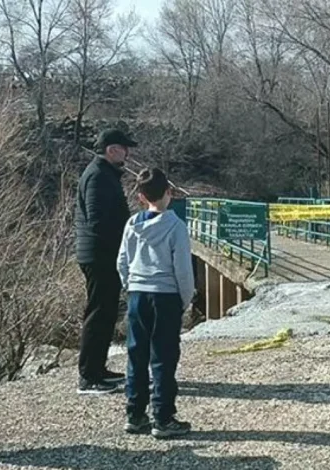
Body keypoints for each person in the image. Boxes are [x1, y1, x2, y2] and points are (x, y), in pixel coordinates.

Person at [117, 167, 194, 439]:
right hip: (166, 296)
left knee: (136, 355)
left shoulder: (131, 225)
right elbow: (183, 270)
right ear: (169, 193)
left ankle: (135, 413)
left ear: (140, 197)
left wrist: (130, 285)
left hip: (137, 294)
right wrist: (185, 300)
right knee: (163, 357)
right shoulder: (176, 227)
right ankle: (163, 416)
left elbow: (122, 262)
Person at [75, 128, 135, 394]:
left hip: (102, 254)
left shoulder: (103, 174)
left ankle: (98, 369)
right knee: (98, 313)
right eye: (124, 148)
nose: (128, 153)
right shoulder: (98, 176)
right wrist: (121, 246)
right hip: (100, 255)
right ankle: (88, 376)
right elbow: (98, 221)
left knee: (106, 311)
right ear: (112, 150)